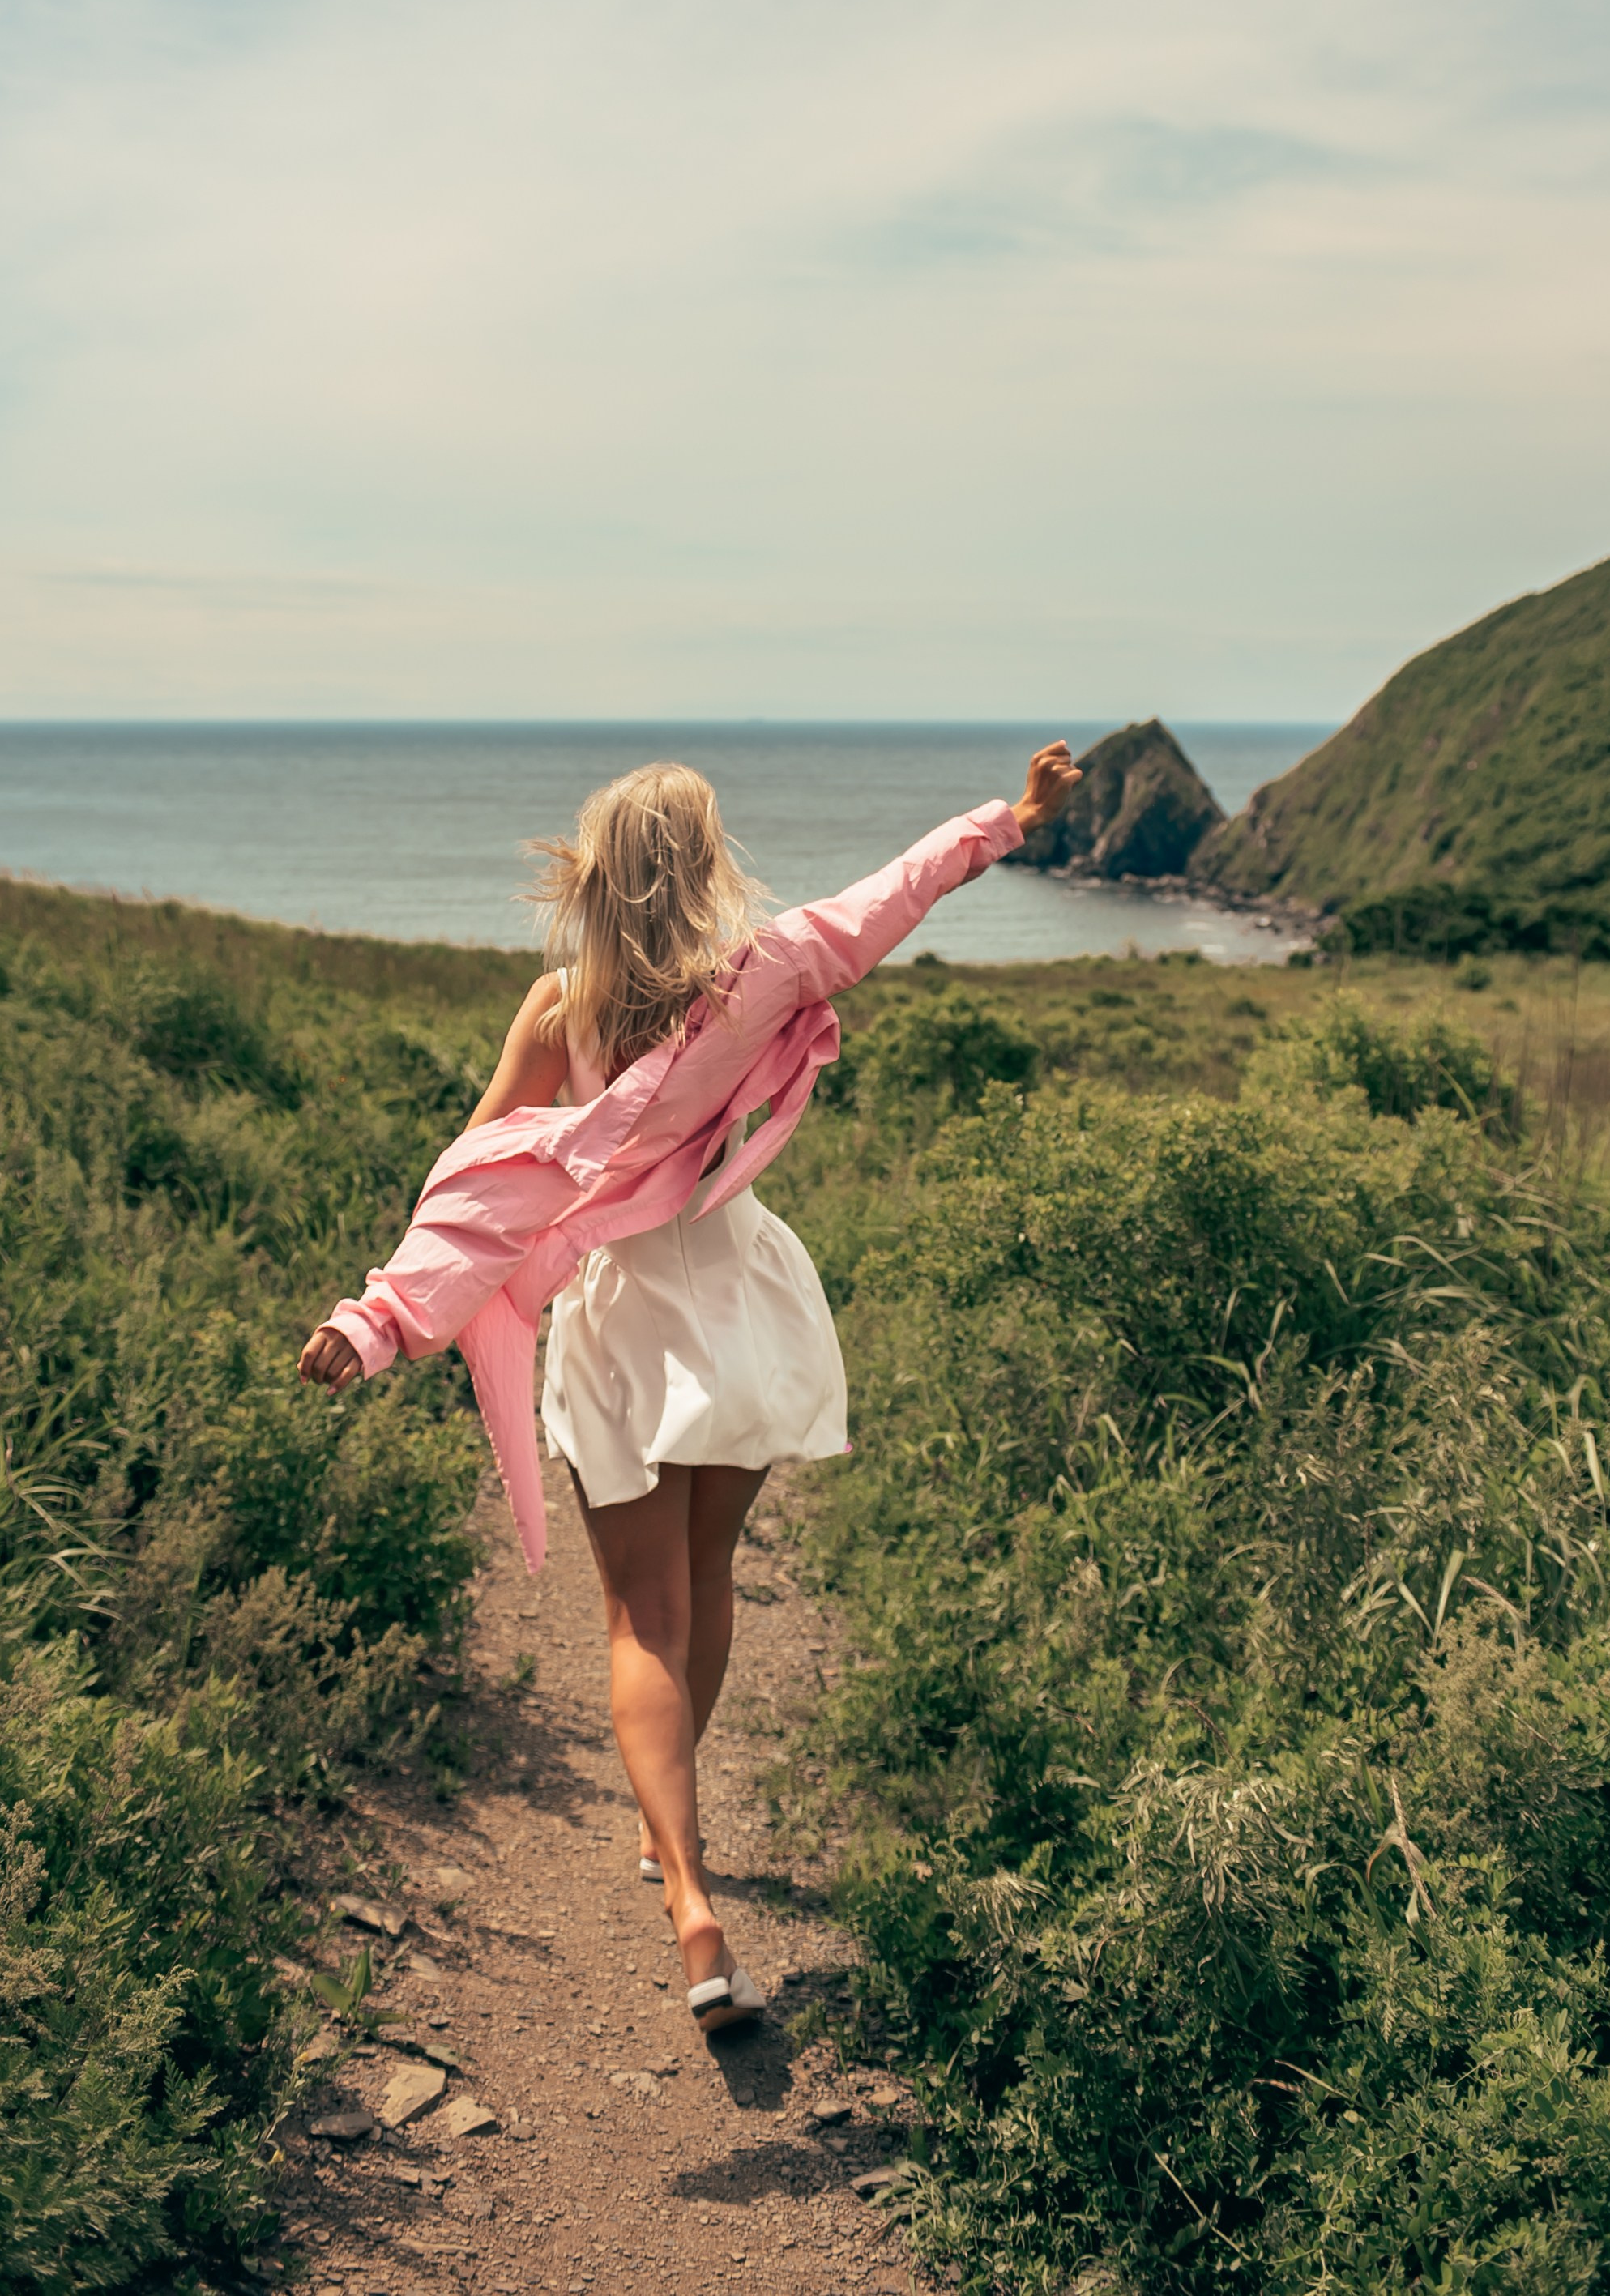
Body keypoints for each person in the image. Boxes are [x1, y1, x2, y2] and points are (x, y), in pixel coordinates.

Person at [297, 741, 1081, 2034]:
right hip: (745, 1303)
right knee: (705, 1581)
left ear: (595, 878)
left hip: (627, 1324)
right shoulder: (762, 973)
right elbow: (894, 894)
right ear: (706, 867)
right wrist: (1015, 818)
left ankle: (690, 1897)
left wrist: (377, 1319)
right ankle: (672, 1839)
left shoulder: (558, 1011)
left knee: (638, 1622)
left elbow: (476, 1194)